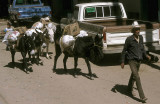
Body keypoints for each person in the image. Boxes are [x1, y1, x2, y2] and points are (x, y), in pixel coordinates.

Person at [121, 21, 151, 103]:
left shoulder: (141, 38)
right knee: (137, 77)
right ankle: (142, 96)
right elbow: (124, 51)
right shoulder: (129, 39)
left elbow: (142, 48)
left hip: (139, 60)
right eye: (136, 29)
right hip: (131, 60)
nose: (138, 31)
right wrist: (122, 61)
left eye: (138, 29)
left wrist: (146, 55)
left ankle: (128, 89)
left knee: (134, 76)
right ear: (133, 30)